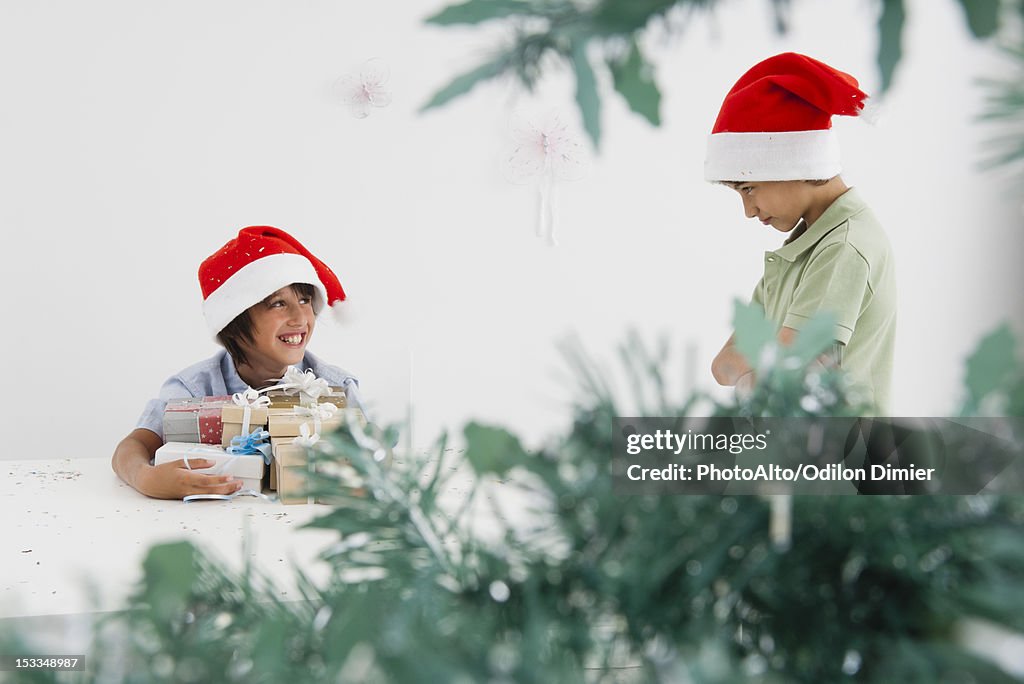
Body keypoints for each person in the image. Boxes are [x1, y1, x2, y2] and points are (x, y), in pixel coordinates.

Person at [705, 52, 896, 414]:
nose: (748, 211)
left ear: (794, 163)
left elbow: (785, 373)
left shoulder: (844, 247)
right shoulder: (797, 251)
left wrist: (754, 372)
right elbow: (722, 367)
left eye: (748, 188)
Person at [112, 226, 358, 499]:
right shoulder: (193, 390)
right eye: (278, 304)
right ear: (233, 321)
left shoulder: (335, 388)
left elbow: (376, 452)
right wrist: (145, 478)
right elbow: (132, 447)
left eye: (305, 300)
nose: (300, 318)